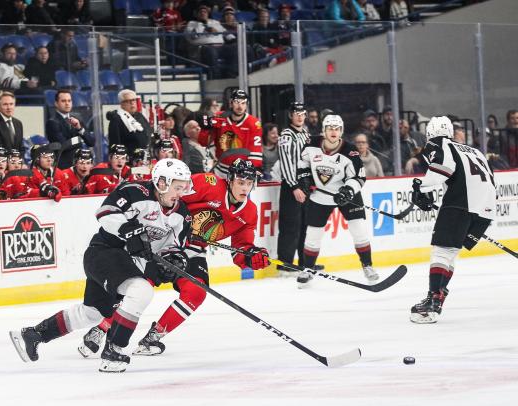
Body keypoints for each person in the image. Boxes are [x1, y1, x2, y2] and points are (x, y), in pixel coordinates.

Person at [10, 158, 193, 373]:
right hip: (104, 252)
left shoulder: (182, 215)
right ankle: (113, 349)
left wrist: (172, 261)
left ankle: (34, 334)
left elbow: (172, 247)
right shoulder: (135, 191)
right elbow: (105, 212)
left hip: (126, 263)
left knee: (94, 312)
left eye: (183, 187)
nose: (180, 192)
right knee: (141, 291)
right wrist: (130, 231)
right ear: (161, 182)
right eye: (177, 187)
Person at [129, 159, 269, 356]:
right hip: (165, 238)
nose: (245, 188)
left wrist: (250, 258)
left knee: (196, 292)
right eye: (240, 182)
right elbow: (170, 197)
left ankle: (153, 337)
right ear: (230, 180)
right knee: (142, 284)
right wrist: (181, 225)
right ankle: (102, 328)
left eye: (249, 183)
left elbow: (241, 248)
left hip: (193, 249)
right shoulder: (208, 183)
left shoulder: (250, 212)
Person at [409, 116, 496, 323]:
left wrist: (420, 187)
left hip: (461, 203)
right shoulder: (473, 150)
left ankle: (431, 304)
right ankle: (438, 296)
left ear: (430, 133)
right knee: (450, 252)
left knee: (441, 251)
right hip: (486, 208)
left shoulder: (438, 143)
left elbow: (442, 169)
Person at [298, 114, 379, 287]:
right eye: (330, 128)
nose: (333, 132)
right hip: (321, 194)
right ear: (323, 130)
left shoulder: (350, 151)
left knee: (358, 230)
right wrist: (304, 179)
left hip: (347, 194)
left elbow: (359, 178)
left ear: (341, 131)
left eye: (337, 129)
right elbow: (302, 163)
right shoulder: (311, 145)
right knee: (313, 234)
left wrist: (348, 190)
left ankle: (368, 266)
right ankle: (308, 269)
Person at [276, 102, 314, 279]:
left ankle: (304, 263)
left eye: (302, 113)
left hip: (307, 184)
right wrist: (294, 186)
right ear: (290, 115)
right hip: (293, 185)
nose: (300, 116)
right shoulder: (286, 135)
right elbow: (286, 162)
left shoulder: (306, 133)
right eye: (296, 113)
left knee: (306, 224)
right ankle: (285, 264)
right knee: (290, 225)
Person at [198, 89, 263, 178]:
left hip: (242, 172)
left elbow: (255, 152)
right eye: (237, 102)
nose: (240, 106)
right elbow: (204, 142)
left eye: (243, 103)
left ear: (247, 105)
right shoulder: (219, 117)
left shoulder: (254, 123)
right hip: (220, 171)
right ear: (231, 103)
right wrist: (205, 129)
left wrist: (251, 171)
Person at [45, 89, 96, 169]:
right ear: (56, 103)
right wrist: (80, 141)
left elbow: (91, 142)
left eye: (69, 101)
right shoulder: (52, 122)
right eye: (63, 101)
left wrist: (79, 128)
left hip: (80, 164)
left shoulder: (77, 118)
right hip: (63, 166)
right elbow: (64, 146)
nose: (67, 103)